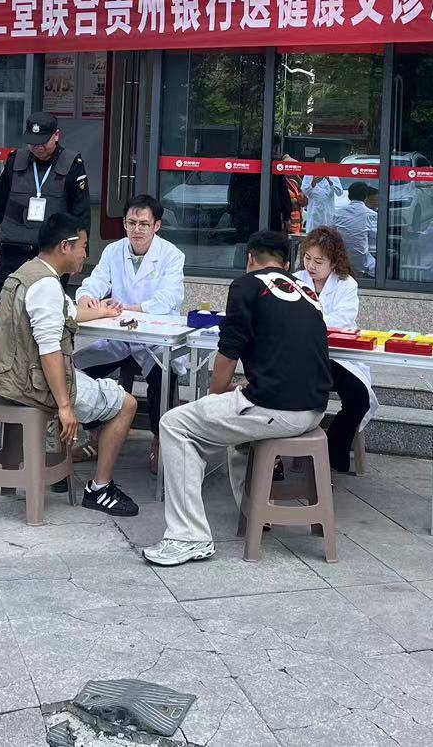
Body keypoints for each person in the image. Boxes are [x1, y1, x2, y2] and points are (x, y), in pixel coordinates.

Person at [142, 230, 333, 567]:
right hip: (315, 408)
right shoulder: (307, 292)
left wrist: (214, 397)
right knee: (236, 423)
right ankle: (256, 512)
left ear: (249, 259)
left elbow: (228, 353)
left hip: (278, 408)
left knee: (174, 424)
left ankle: (188, 537)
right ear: (287, 263)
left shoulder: (246, 285)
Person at [0, 212, 141, 516]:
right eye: (83, 246)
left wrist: (104, 311)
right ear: (65, 246)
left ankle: (59, 471)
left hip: (7, 380)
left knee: (86, 377)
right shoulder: (47, 286)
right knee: (126, 404)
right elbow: (50, 351)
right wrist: (65, 407)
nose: (85, 254)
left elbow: (69, 312)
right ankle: (100, 488)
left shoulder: (28, 273)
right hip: (32, 385)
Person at [0, 113, 89, 410]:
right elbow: (0, 204)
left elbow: (81, 215)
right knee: (0, 318)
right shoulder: (15, 161)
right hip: (12, 250)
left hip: (51, 254)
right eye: (32, 142)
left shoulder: (72, 165)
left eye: (43, 142)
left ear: (56, 136)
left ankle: (47, 386)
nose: (37, 147)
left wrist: (78, 254)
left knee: (51, 323)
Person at [76, 194, 187, 464]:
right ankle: (95, 435)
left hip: (155, 340)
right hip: (118, 338)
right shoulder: (113, 251)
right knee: (75, 369)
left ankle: (160, 440)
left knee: (163, 375)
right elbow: (95, 282)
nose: (137, 229)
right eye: (131, 223)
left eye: (144, 224)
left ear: (156, 226)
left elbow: (167, 299)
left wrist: (124, 309)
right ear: (124, 223)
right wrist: (86, 300)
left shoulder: (172, 255)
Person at [297, 226, 376, 474]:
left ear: (334, 262)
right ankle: (301, 453)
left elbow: (342, 321)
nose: (311, 266)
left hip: (339, 357)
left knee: (359, 398)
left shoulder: (346, 284)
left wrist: (309, 319)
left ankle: (332, 454)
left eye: (318, 261)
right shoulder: (295, 281)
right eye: (307, 258)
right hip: (304, 357)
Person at [334, 182, 379, 275]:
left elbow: (331, 233)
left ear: (349, 196)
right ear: (366, 197)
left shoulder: (338, 213)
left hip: (340, 261)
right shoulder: (371, 215)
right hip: (364, 264)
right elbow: (376, 238)